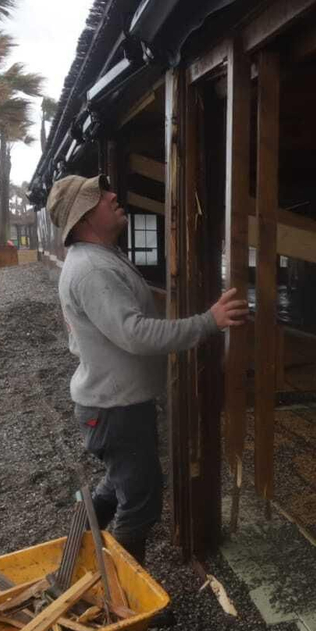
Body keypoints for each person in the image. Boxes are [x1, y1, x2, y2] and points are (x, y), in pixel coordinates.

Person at [48, 173, 247, 561]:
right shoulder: (94, 270)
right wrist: (209, 321)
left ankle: (72, 556)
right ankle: (126, 604)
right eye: (100, 195)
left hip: (113, 404)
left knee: (118, 484)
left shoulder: (99, 259)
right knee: (140, 501)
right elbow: (135, 334)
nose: (112, 195)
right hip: (115, 409)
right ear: (85, 215)